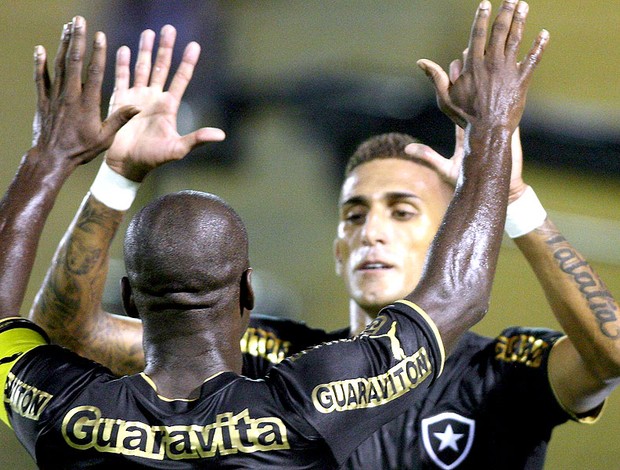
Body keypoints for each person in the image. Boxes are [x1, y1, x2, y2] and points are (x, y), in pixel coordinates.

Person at [24, 2, 562, 468]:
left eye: (401, 212)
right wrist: (496, 148)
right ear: (249, 291)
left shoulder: (494, 369)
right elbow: (461, 295)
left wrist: (83, 169)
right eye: (354, 214)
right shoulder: (299, 381)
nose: (373, 230)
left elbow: (55, 337)